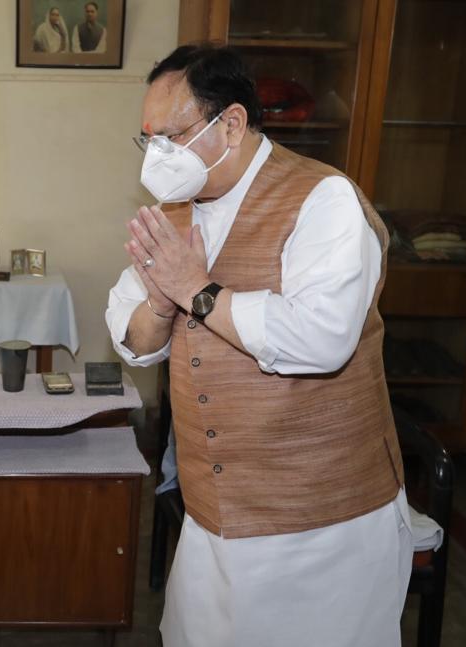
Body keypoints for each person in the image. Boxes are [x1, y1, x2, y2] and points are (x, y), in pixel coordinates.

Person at [105, 44, 410, 646]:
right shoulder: (175, 214)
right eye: (150, 140)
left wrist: (194, 289)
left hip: (321, 527)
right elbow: (133, 342)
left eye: (173, 135)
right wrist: (162, 301)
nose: (159, 155)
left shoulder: (324, 201)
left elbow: (320, 340)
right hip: (214, 522)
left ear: (233, 124)